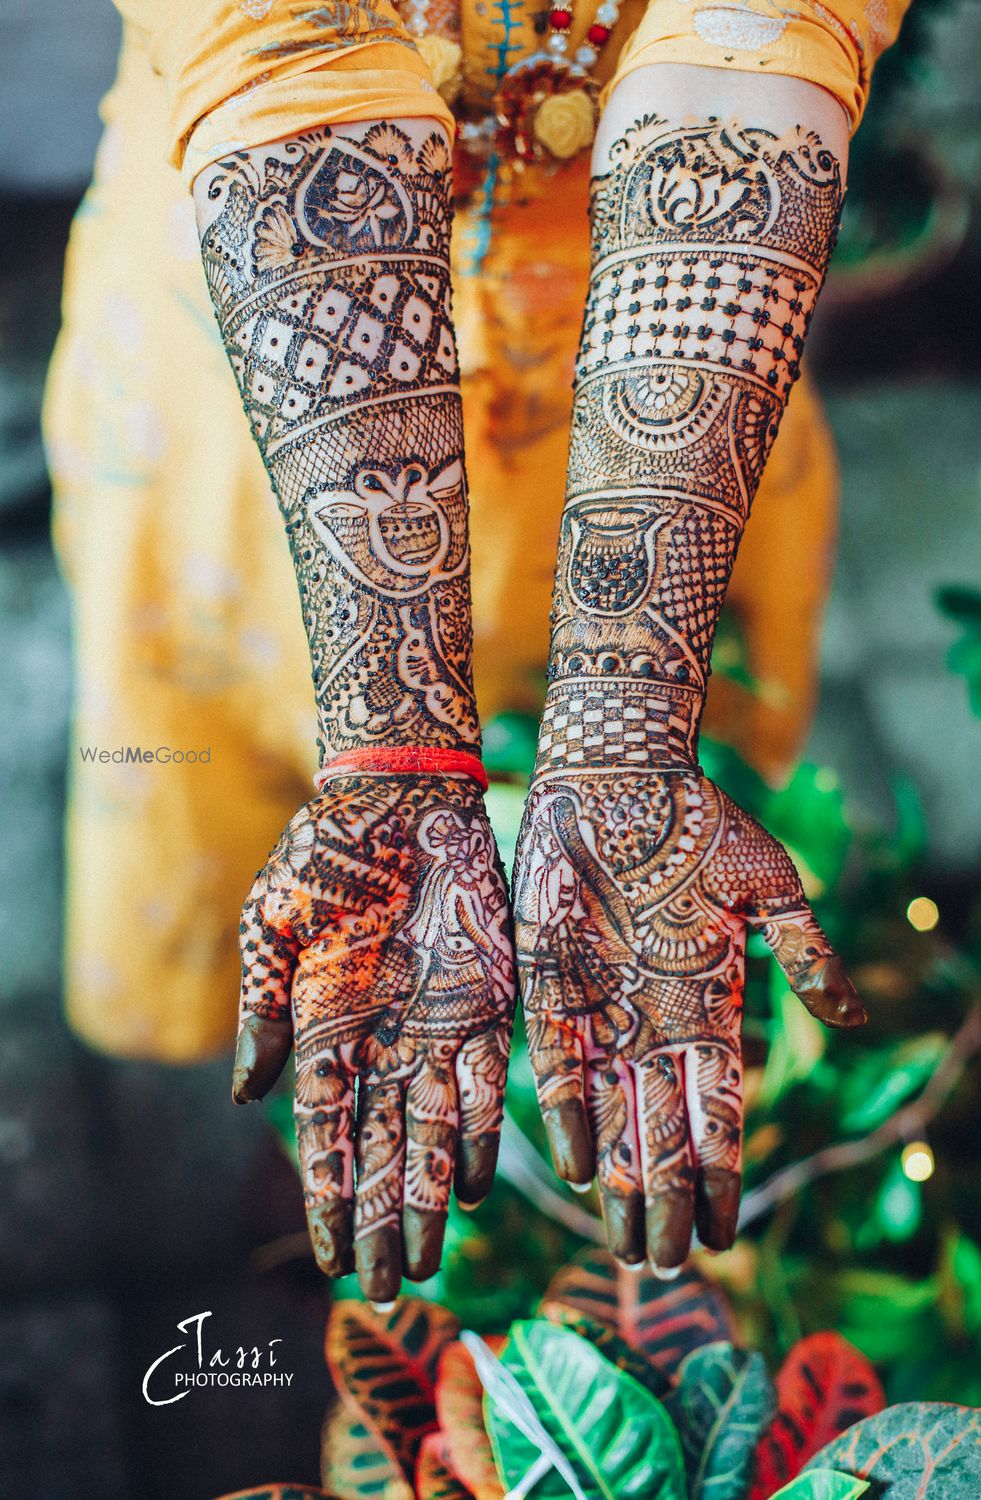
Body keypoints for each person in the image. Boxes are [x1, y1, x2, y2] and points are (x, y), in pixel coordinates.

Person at [44, 0, 908, 1303]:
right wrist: (392, 757)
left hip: (657, 395)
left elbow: (760, 36)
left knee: (627, 874)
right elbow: (279, 52)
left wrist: (622, 731)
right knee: (246, 806)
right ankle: (297, 1165)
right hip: (258, 375)